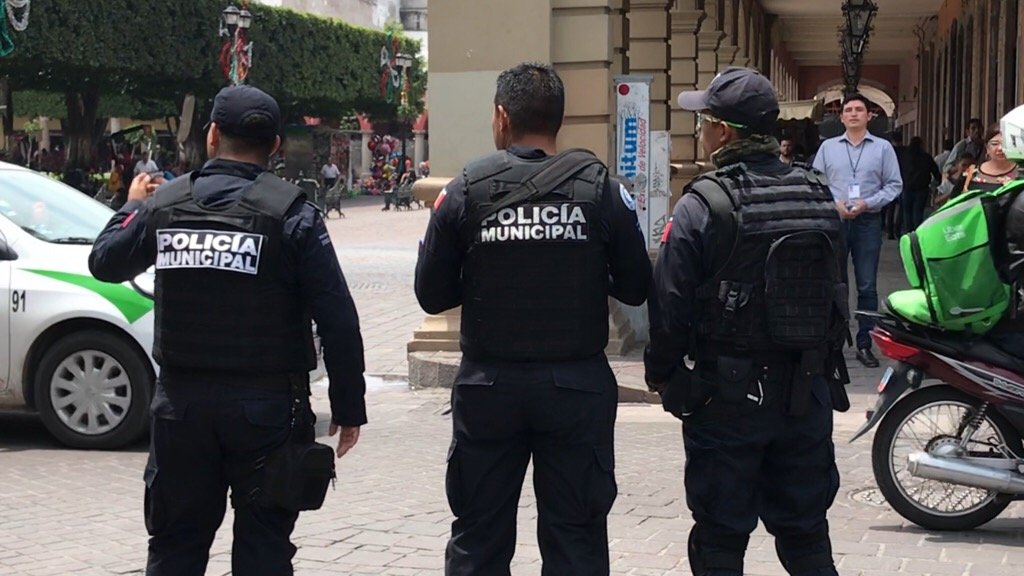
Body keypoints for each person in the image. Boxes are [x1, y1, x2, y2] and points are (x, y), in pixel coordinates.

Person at [88, 85, 367, 576]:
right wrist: (348, 408)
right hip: (266, 410)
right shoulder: (292, 213)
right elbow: (337, 316)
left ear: (212, 134)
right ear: (275, 145)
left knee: (175, 548)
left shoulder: (165, 205)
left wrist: (131, 204)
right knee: (263, 552)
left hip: (181, 408)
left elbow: (105, 261)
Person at [415, 61, 651, 576]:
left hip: (489, 388)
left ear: (502, 116)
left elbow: (430, 295)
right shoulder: (601, 189)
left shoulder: (466, 189)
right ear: (558, 119)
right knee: (577, 540)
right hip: (576, 387)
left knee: (479, 537)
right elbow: (637, 286)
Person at [646, 66, 847, 576]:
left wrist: (665, 376)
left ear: (723, 132)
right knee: (807, 537)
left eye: (704, 122)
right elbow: (835, 293)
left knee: (719, 541)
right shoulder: (817, 193)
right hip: (806, 393)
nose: (700, 130)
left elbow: (670, 303)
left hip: (728, 398)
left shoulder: (704, 203)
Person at [813, 93, 902, 368]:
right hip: (835, 222)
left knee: (867, 285)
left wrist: (869, 203)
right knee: (835, 282)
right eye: (848, 110)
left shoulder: (883, 148)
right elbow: (816, 183)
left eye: (859, 110)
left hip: (868, 222)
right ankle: (834, 342)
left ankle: (864, 342)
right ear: (841, 117)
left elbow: (894, 185)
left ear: (869, 116)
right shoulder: (827, 148)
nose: (853, 114)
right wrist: (834, 204)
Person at [960, 123, 1021, 193]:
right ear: (987, 147)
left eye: (1005, 144)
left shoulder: (1021, 171)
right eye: (994, 144)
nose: (1000, 148)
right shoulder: (971, 173)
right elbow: (955, 198)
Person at [899, 136, 941, 232]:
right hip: (922, 188)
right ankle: (917, 233)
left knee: (907, 213)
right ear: (921, 145)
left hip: (907, 188)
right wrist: (939, 181)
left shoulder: (904, 157)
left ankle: (908, 232)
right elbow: (935, 171)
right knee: (918, 212)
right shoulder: (926, 157)